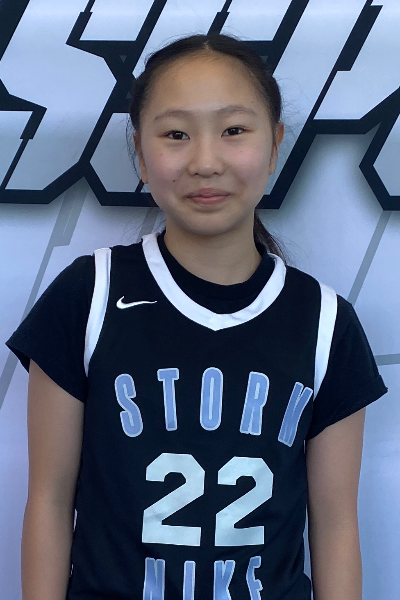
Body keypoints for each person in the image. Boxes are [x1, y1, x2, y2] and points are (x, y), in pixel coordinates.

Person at [6, 33, 389, 600]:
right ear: (140, 153)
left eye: (233, 130)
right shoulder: (87, 296)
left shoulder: (326, 324)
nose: (205, 162)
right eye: (176, 135)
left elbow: (334, 527)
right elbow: (49, 500)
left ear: (275, 144)